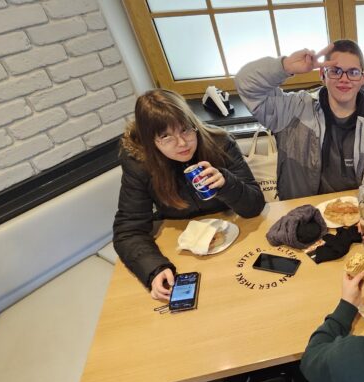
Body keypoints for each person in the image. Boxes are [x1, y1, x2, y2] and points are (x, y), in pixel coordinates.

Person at [236, 39, 364, 248]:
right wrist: (284, 66)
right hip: (298, 221)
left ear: (363, 78)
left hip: (350, 224)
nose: (344, 79)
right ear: (322, 74)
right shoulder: (293, 110)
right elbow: (246, 85)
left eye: (353, 72)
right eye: (335, 71)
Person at [114, 89, 265, 301]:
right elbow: (128, 230)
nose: (182, 143)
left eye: (185, 130)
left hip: (234, 235)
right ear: (150, 141)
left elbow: (255, 205)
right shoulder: (140, 164)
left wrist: (227, 183)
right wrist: (154, 269)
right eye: (166, 136)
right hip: (182, 248)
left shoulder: (220, 142)